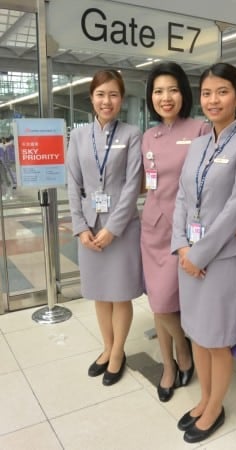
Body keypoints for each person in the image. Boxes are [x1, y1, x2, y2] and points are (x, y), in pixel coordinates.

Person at [141, 61, 236, 402]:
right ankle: (170, 367)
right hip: (157, 231)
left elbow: (223, 190)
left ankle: (184, 359)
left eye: (172, 89)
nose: (166, 97)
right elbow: (146, 184)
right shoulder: (148, 136)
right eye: (158, 91)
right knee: (158, 304)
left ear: (184, 94)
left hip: (192, 235)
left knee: (166, 305)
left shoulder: (201, 130)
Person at [171, 62, 236, 443]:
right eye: (207, 93)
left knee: (217, 339)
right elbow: (181, 196)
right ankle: (204, 398)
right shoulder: (196, 143)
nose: (213, 100)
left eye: (222, 92)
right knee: (196, 334)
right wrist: (181, 244)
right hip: (188, 256)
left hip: (219, 261)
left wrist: (199, 254)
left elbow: (235, 210)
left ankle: (215, 407)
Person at [67, 69, 144, 386]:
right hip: (89, 228)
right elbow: (73, 183)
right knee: (100, 294)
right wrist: (80, 226)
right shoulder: (79, 136)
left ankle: (118, 353)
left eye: (113, 94)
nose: (106, 101)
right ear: (92, 98)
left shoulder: (131, 134)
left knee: (120, 293)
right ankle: (107, 347)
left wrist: (113, 227)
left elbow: (131, 186)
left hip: (121, 229)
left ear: (121, 99)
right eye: (101, 94)